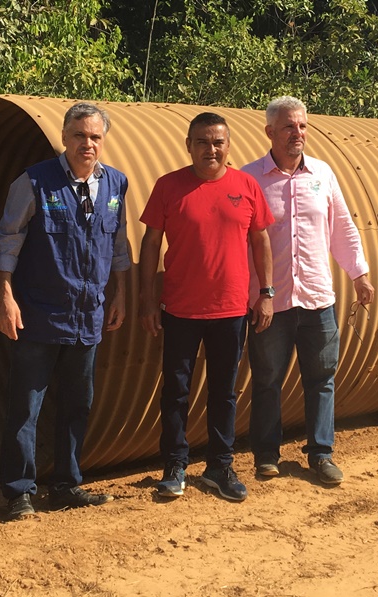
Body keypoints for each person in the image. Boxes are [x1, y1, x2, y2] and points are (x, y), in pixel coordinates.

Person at [0, 103, 128, 519]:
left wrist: (119, 294)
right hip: (38, 315)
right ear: (64, 137)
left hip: (88, 317)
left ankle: (66, 485)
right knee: (25, 406)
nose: (87, 144)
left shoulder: (116, 184)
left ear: (103, 141)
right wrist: (4, 296)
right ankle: (18, 492)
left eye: (95, 137)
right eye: (79, 136)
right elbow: (7, 241)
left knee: (76, 404)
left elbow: (118, 246)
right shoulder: (34, 181)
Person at [139, 112, 274, 502]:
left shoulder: (246, 186)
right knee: (176, 391)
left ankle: (219, 465)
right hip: (179, 309)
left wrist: (266, 292)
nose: (210, 149)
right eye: (202, 141)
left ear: (228, 146)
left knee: (224, 391)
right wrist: (148, 300)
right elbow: (151, 244)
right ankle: (175, 466)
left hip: (231, 310)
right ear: (189, 145)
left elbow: (261, 240)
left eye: (217, 142)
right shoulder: (169, 186)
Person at [241, 96, 375, 485]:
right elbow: (240, 239)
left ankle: (321, 454)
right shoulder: (250, 179)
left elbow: (342, 228)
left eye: (302, 126)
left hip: (318, 299)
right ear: (270, 132)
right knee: (266, 380)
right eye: (288, 127)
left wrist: (359, 274)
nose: (297, 133)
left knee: (321, 378)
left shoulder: (323, 174)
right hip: (271, 301)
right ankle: (266, 455)